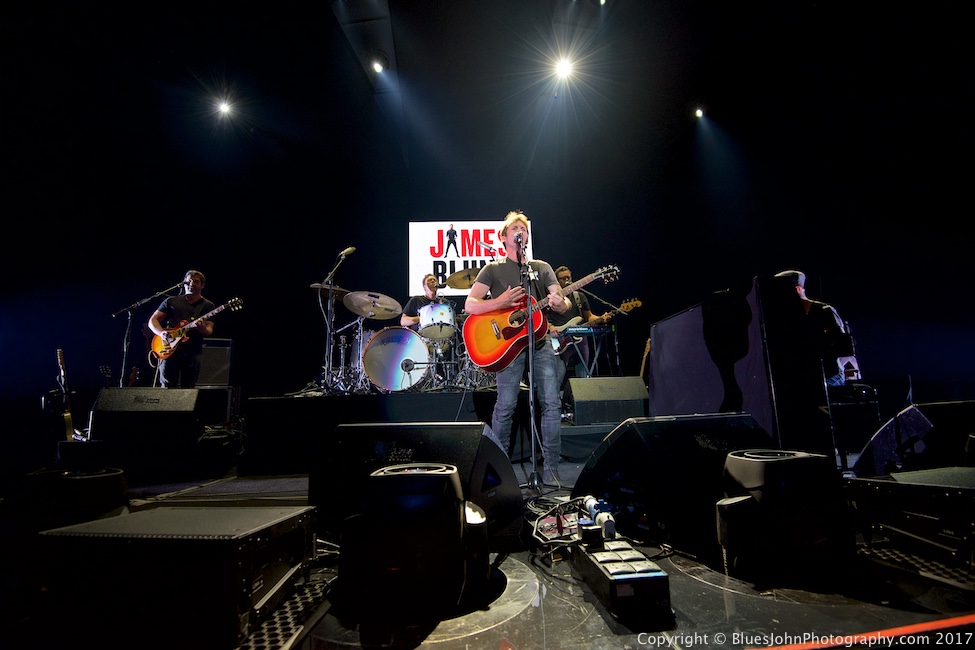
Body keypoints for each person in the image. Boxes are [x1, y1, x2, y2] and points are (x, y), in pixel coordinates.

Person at [465, 211, 571, 485]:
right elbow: (470, 305)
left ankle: (551, 472)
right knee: (505, 406)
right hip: (508, 346)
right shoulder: (493, 269)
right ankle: (501, 475)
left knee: (551, 403)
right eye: (515, 227)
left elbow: (561, 300)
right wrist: (498, 303)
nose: (520, 230)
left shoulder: (542, 267)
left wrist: (562, 303)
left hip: (540, 341)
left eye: (523, 228)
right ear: (504, 237)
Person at [773, 269, 860, 386]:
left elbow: (843, 349)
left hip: (828, 378)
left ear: (797, 290)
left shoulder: (824, 312)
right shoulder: (784, 318)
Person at [148, 269, 215, 388]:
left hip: (192, 352)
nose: (191, 284)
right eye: (188, 281)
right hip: (169, 351)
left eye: (195, 281)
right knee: (167, 387)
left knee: (188, 389)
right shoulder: (171, 301)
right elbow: (152, 321)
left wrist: (201, 328)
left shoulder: (207, 306)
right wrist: (161, 333)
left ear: (202, 285)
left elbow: (209, 330)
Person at [548, 265, 614, 387]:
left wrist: (601, 318)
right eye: (563, 278)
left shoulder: (579, 297)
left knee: (584, 373)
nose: (566, 280)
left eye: (568, 277)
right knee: (559, 374)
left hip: (580, 339)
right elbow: (544, 319)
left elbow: (589, 317)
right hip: (559, 341)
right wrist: (551, 327)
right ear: (557, 281)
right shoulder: (552, 299)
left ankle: (583, 401)